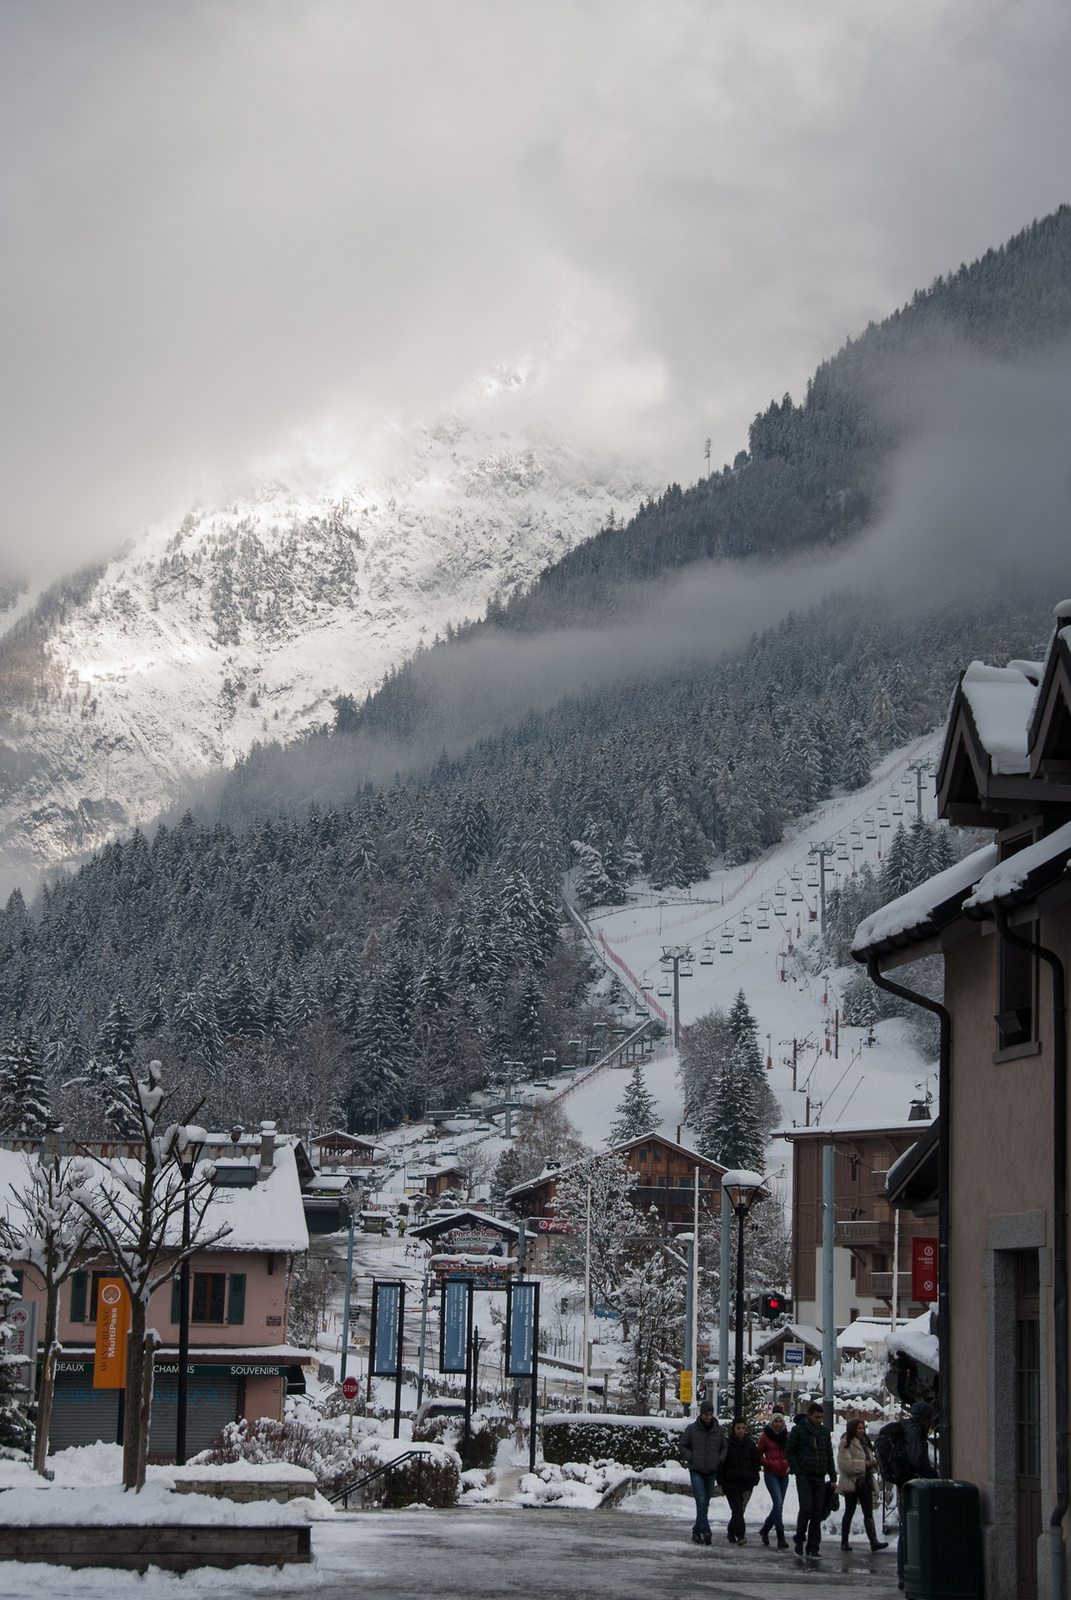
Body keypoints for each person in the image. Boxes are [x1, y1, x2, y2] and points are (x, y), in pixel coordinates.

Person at [896, 1401, 938, 1590]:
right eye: (930, 1419)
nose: (931, 1423)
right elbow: (918, 1460)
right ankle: (905, 1575)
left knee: (908, 1529)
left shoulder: (908, 1428)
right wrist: (933, 1475)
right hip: (912, 1484)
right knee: (908, 1531)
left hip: (906, 1483)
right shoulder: (914, 1431)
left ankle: (905, 1574)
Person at [786, 1401, 836, 1557]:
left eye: (821, 1417)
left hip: (819, 1476)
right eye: (816, 1417)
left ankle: (814, 1546)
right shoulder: (799, 1431)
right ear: (809, 1416)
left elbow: (829, 1456)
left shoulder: (824, 1433)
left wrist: (833, 1477)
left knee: (817, 1513)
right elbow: (789, 1451)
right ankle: (800, 1539)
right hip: (804, 1476)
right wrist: (797, 1471)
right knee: (806, 1508)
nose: (819, 1420)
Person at [680, 1400, 727, 1546]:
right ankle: (706, 1530)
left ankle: (696, 1530)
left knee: (705, 1502)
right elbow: (682, 1446)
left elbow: (724, 1447)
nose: (709, 1417)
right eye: (706, 1414)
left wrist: (719, 1460)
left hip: (711, 1470)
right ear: (701, 1414)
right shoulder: (692, 1429)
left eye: (711, 1414)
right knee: (700, 1500)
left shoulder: (718, 1431)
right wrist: (691, 1457)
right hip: (696, 1470)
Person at [838, 1417, 889, 1552]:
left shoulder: (866, 1443)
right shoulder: (846, 1443)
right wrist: (863, 1464)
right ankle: (844, 1541)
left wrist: (872, 1464)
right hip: (852, 1482)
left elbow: (870, 1460)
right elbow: (845, 1465)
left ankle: (874, 1541)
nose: (861, 1431)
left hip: (865, 1481)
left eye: (863, 1428)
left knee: (868, 1513)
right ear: (852, 1429)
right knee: (849, 1511)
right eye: (859, 1428)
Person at [719, 1417, 761, 1545]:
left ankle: (731, 1531)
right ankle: (740, 1534)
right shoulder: (727, 1444)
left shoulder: (750, 1444)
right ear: (734, 1429)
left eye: (743, 1428)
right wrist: (722, 1480)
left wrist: (754, 1478)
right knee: (737, 1509)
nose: (741, 1431)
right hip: (731, 1483)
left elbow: (756, 1462)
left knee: (740, 1510)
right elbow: (721, 1463)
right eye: (738, 1428)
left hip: (746, 1483)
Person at [758, 1407, 791, 1548]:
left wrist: (788, 1464)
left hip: (783, 1473)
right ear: (772, 1423)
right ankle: (780, 1535)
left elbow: (791, 1452)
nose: (778, 1424)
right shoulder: (765, 1437)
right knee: (777, 1503)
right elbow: (758, 1454)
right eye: (775, 1421)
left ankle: (765, 1529)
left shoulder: (787, 1436)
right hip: (771, 1473)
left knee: (779, 1505)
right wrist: (768, 1463)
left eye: (780, 1421)